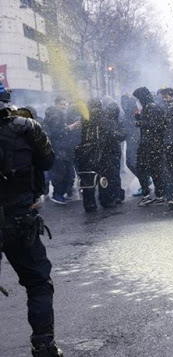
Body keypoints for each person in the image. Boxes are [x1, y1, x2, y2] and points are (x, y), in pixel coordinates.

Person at [0, 84, 64, 356]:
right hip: (18, 218)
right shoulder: (27, 127)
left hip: (18, 216)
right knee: (38, 283)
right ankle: (44, 346)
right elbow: (48, 161)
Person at [132, 87, 166, 207]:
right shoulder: (148, 108)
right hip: (149, 144)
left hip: (152, 145)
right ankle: (156, 195)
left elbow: (156, 125)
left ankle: (155, 195)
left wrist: (140, 123)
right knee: (151, 169)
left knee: (150, 169)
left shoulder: (152, 108)